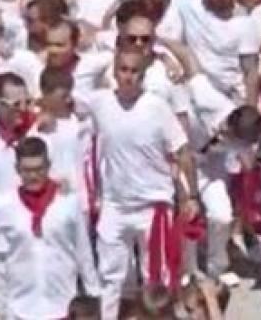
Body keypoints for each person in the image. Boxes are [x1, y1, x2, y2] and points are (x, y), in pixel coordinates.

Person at [79, 50, 200, 320]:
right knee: (111, 278)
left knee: (155, 277)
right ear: (114, 72)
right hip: (115, 205)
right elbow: (67, 93)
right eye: (122, 69)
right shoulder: (100, 103)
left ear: (143, 75)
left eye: (134, 71)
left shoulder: (157, 107)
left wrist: (190, 196)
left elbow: (182, 152)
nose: (128, 76)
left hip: (152, 206)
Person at [0, 136, 100, 319]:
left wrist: (93, 294)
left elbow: (83, 251)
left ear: (48, 166)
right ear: (17, 170)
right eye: (27, 170)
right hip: (20, 309)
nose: (33, 176)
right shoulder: (5, 206)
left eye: (39, 169)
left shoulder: (67, 202)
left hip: (62, 306)